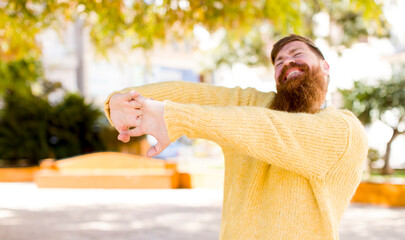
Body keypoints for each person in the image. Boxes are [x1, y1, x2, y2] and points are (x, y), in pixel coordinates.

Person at [104, 34, 368, 240]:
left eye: (297, 54)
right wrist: (124, 100)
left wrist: (174, 118)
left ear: (325, 66)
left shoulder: (345, 131)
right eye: (278, 62)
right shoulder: (254, 102)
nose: (286, 62)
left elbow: (272, 131)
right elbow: (192, 93)